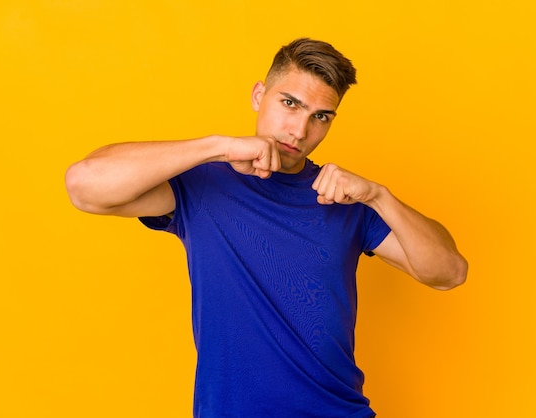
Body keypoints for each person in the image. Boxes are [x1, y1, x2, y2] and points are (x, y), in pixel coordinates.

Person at [65, 38, 467, 418]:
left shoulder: (344, 198)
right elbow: (85, 186)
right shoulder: (204, 183)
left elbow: (448, 273)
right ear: (259, 95)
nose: (299, 131)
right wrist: (218, 148)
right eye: (289, 104)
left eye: (320, 117)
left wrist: (379, 196)